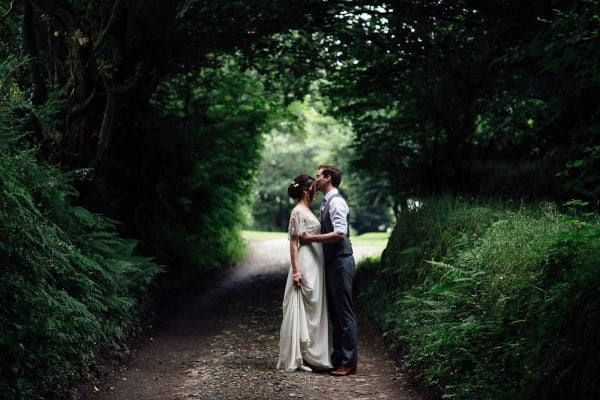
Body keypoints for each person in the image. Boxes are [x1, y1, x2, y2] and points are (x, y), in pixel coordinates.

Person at [300, 165, 358, 376]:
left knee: (344, 313)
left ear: (328, 178)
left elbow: (340, 233)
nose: (316, 180)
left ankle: (348, 362)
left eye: (318, 176)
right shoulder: (327, 202)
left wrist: (312, 238)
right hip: (333, 262)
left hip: (341, 261)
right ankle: (338, 358)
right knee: (335, 313)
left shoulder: (337, 203)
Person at [276, 175, 333, 372]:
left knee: (315, 306)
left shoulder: (307, 210)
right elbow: (293, 243)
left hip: (316, 261)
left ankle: (313, 354)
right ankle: (303, 354)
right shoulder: (298, 212)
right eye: (315, 189)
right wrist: (296, 272)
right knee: (308, 305)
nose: (316, 193)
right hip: (306, 262)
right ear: (306, 190)